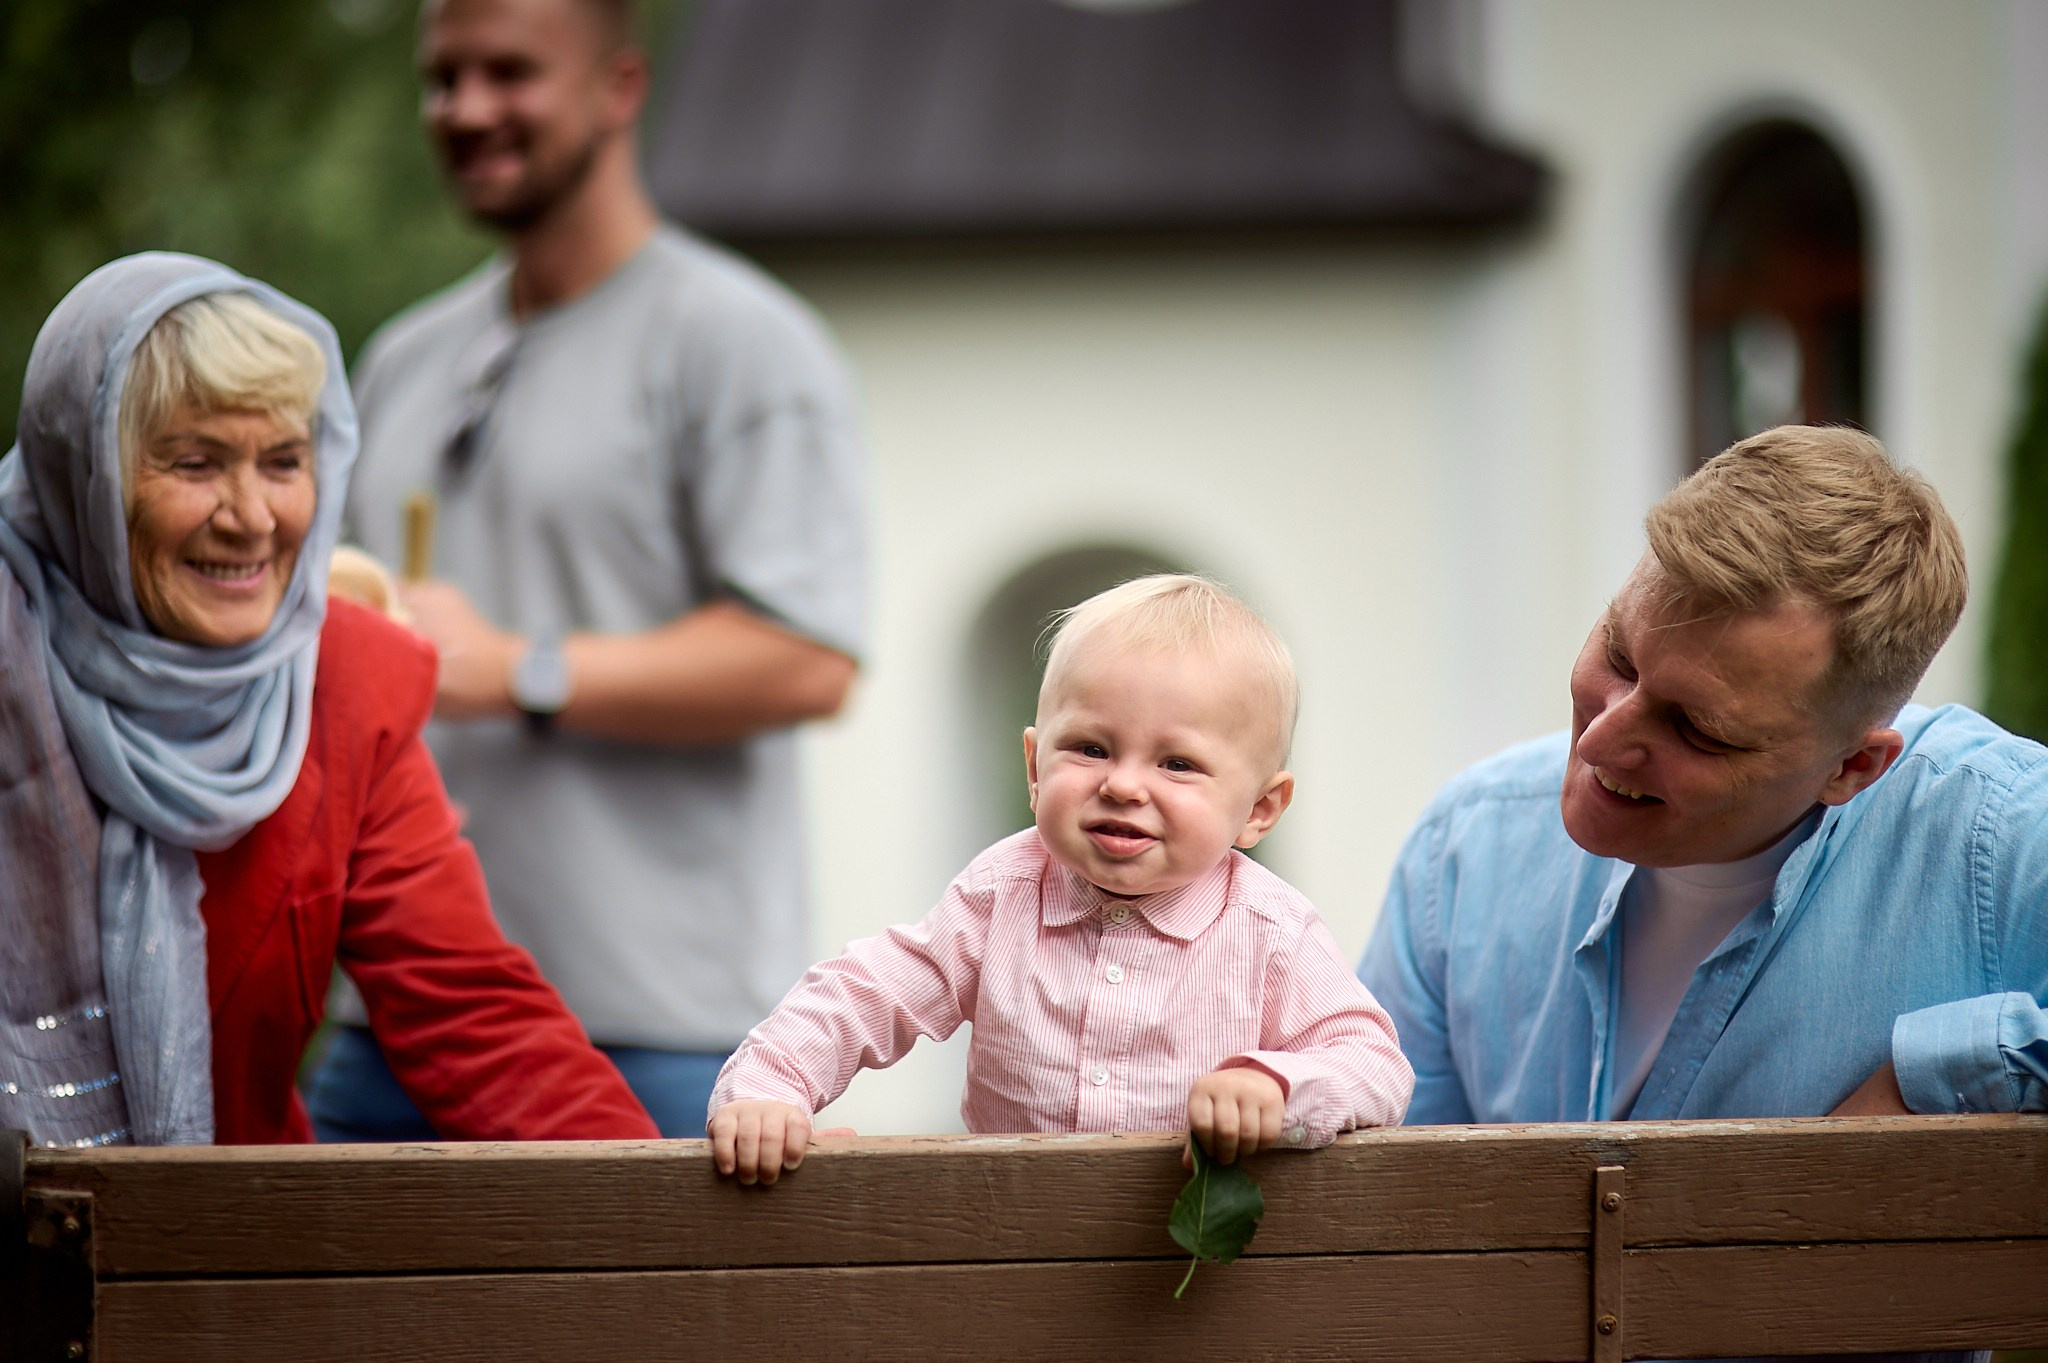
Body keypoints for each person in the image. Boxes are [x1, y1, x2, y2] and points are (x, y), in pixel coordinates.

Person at [307, 0, 868, 1139]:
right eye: (442, 77)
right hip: (387, 1022)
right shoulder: (403, 358)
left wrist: (520, 668)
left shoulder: (741, 342)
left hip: (656, 1032)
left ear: (619, 87)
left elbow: (808, 657)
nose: (465, 109)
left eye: (509, 72)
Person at [0, 251, 658, 1146]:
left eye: (283, 461)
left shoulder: (346, 683)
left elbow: (477, 1021)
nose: (253, 517)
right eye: (195, 463)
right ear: (82, 474)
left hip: (220, 1257)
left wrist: (682, 1204)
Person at [1358, 425, 2048, 1131]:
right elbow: (1375, 1205)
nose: (1600, 738)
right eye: (1619, 656)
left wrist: (1939, 1075)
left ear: (1852, 767)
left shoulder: (2007, 840)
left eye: (1696, 728)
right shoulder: (1465, 850)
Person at [710, 575, 1415, 1184]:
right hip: (1013, 1247)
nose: (1124, 784)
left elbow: (1373, 1063)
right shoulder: (1003, 892)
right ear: (1035, 766)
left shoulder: (1270, 930)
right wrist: (772, 1086)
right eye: (1090, 747)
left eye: (1176, 763)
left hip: (1196, 1276)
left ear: (1259, 808)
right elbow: (869, 990)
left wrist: (1276, 1085)